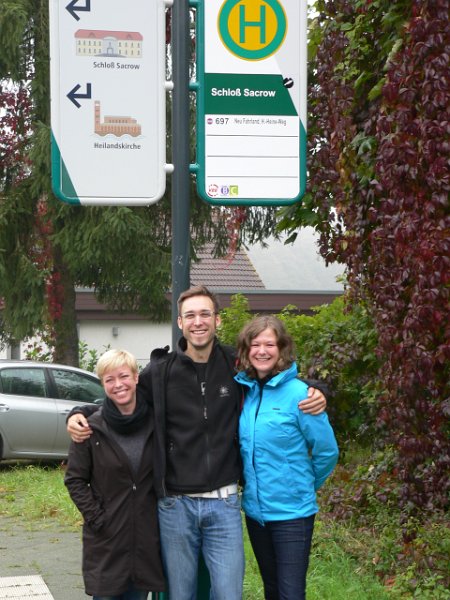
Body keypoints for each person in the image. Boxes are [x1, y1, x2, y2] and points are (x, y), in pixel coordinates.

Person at [67, 286, 328, 600]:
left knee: (229, 594)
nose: (198, 321)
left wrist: (318, 388)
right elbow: (123, 396)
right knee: (180, 595)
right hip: (176, 506)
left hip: (224, 503)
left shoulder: (236, 366)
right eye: (190, 315)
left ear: (217, 320)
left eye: (205, 314)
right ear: (180, 322)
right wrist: (80, 411)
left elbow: (274, 379)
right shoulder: (160, 371)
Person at [235, 315, 339, 600]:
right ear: (246, 350)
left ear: (282, 349)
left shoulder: (301, 395)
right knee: (272, 590)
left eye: (269, 344)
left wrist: (304, 485)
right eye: (255, 344)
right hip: (256, 514)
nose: (262, 351)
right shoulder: (245, 392)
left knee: (291, 593)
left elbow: (327, 451)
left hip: (293, 515)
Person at [64, 349, 165, 600]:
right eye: (109, 379)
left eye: (124, 376)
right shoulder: (90, 428)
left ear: (136, 377)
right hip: (107, 540)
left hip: (145, 539)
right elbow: (75, 479)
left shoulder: (156, 423)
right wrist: (97, 518)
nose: (118, 384)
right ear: (103, 384)